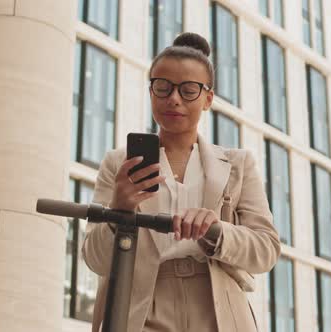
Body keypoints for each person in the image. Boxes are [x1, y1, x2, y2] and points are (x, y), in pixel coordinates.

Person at [82, 32, 280, 332]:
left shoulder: (238, 165)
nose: (173, 98)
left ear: (208, 99)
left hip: (217, 309)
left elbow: (265, 250)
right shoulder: (118, 163)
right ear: (151, 92)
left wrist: (216, 231)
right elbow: (96, 260)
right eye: (163, 87)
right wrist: (118, 210)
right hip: (141, 307)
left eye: (188, 90)